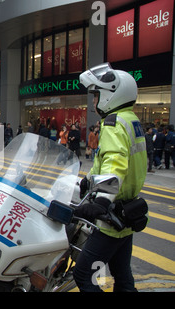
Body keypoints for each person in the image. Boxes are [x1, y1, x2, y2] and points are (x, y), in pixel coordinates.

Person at [74, 63, 147, 292]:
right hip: (127, 213)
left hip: (111, 218)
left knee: (83, 273)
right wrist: (88, 180)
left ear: (110, 95)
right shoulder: (131, 120)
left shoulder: (113, 123)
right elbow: (114, 161)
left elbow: (115, 164)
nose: (94, 102)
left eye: (96, 96)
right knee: (122, 277)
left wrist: (102, 202)